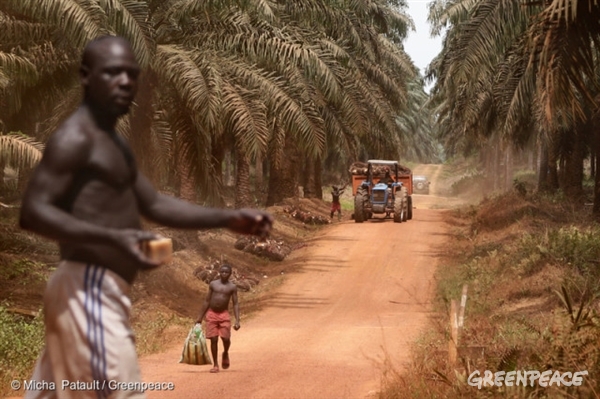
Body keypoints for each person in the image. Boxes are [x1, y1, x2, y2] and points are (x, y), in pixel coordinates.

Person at [19, 36, 273, 399]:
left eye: (130, 73)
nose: (124, 82)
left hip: (96, 288)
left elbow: (153, 203)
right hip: (89, 288)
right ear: (86, 77)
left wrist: (227, 217)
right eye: (112, 73)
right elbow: (35, 211)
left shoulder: (111, 143)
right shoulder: (77, 137)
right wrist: (113, 238)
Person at [195, 264, 239, 373]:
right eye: (222, 272)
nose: (224, 274)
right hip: (212, 314)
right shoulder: (213, 284)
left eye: (226, 272)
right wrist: (199, 317)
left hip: (224, 314)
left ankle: (225, 352)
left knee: (226, 338)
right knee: (213, 339)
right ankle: (215, 364)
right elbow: (207, 301)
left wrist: (237, 320)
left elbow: (235, 304)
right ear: (219, 272)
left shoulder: (232, 287)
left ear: (230, 274)